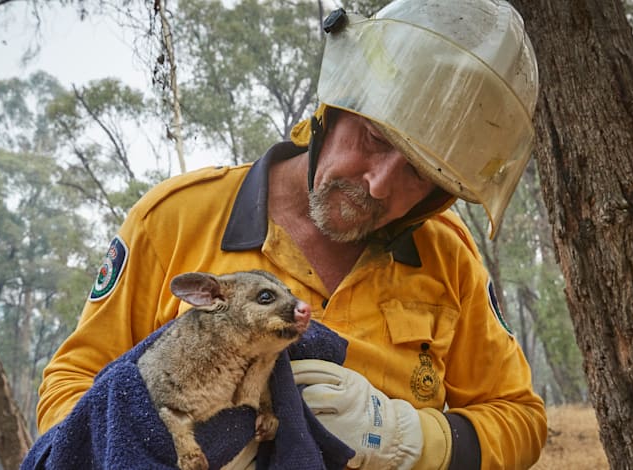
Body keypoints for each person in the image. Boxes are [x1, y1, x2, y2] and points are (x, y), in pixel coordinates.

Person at [36, 0, 547, 468]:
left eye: (419, 174)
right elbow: (72, 384)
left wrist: (406, 439)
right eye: (373, 138)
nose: (378, 183)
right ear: (338, 103)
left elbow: (519, 419)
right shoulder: (174, 220)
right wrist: (148, 447)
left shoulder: (448, 257)